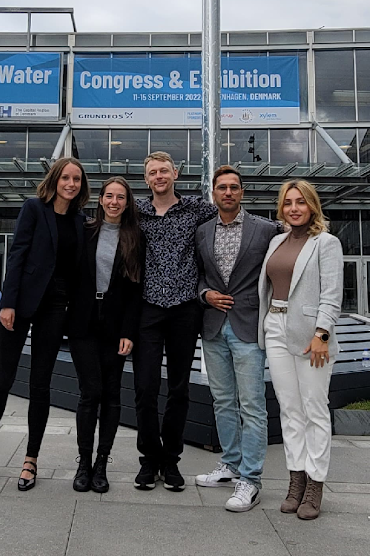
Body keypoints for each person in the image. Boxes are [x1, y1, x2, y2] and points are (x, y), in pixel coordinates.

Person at [0, 157, 88, 492]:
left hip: (55, 306)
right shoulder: (34, 208)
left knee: (41, 384)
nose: (71, 184)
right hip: (22, 302)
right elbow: (18, 254)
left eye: (77, 180)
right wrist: (8, 302)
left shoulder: (80, 220)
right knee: (3, 378)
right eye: (66, 177)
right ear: (55, 179)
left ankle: (31, 459)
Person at [193, 165, 282, 511]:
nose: (228, 193)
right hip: (213, 325)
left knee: (252, 406)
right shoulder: (202, 232)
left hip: (247, 326)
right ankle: (230, 465)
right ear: (213, 194)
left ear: (242, 192)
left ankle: (251, 479)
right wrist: (205, 295)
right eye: (222, 188)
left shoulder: (265, 229)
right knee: (223, 401)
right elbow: (198, 276)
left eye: (234, 188)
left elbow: (298, 236)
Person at [131, 151, 216, 491]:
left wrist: (287, 227)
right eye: (153, 172)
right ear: (146, 179)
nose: (159, 176)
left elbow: (234, 217)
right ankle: (149, 459)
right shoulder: (136, 212)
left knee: (179, 388)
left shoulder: (197, 208)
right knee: (145, 387)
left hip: (184, 308)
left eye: (164, 170)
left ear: (176, 173)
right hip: (148, 308)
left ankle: (171, 460)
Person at [259, 179, 343, 521]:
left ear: (312, 206)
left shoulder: (326, 242)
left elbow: (332, 293)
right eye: (288, 202)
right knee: (290, 410)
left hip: (311, 335)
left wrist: (322, 333)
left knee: (314, 410)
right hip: (275, 327)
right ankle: (296, 480)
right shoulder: (277, 240)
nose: (294, 208)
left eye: (301, 202)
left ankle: (315, 485)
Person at [67, 176, 144, 494]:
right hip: (83, 323)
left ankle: (102, 463)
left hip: (115, 326)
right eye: (109, 196)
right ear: (100, 200)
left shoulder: (135, 236)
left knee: (112, 395)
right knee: (90, 392)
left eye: (121, 197)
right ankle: (84, 463)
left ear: (127, 203)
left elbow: (136, 290)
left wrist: (129, 330)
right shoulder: (84, 231)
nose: (114, 202)